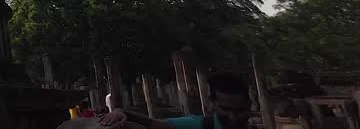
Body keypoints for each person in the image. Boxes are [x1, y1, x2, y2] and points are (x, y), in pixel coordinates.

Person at [100, 72, 254, 129]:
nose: (232, 117)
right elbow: (155, 124)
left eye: (239, 111)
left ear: (249, 105)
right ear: (212, 105)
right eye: (225, 109)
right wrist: (121, 111)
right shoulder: (204, 125)